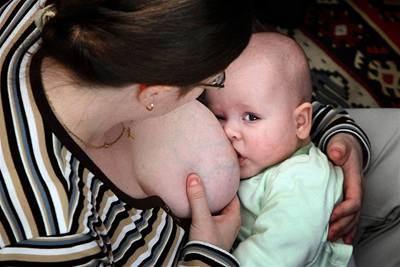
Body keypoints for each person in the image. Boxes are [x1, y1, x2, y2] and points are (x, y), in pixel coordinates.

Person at [0, 0, 374, 266]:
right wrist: (209, 258)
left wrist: (330, 135)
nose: (227, 131)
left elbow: (270, 85)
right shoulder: (53, 232)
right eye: (213, 81)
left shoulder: (59, 16)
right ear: (156, 93)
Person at [204, 32, 355, 266]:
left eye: (251, 117)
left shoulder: (303, 178)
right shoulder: (262, 160)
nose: (229, 130)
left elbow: (274, 256)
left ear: (300, 123)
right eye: (220, 116)